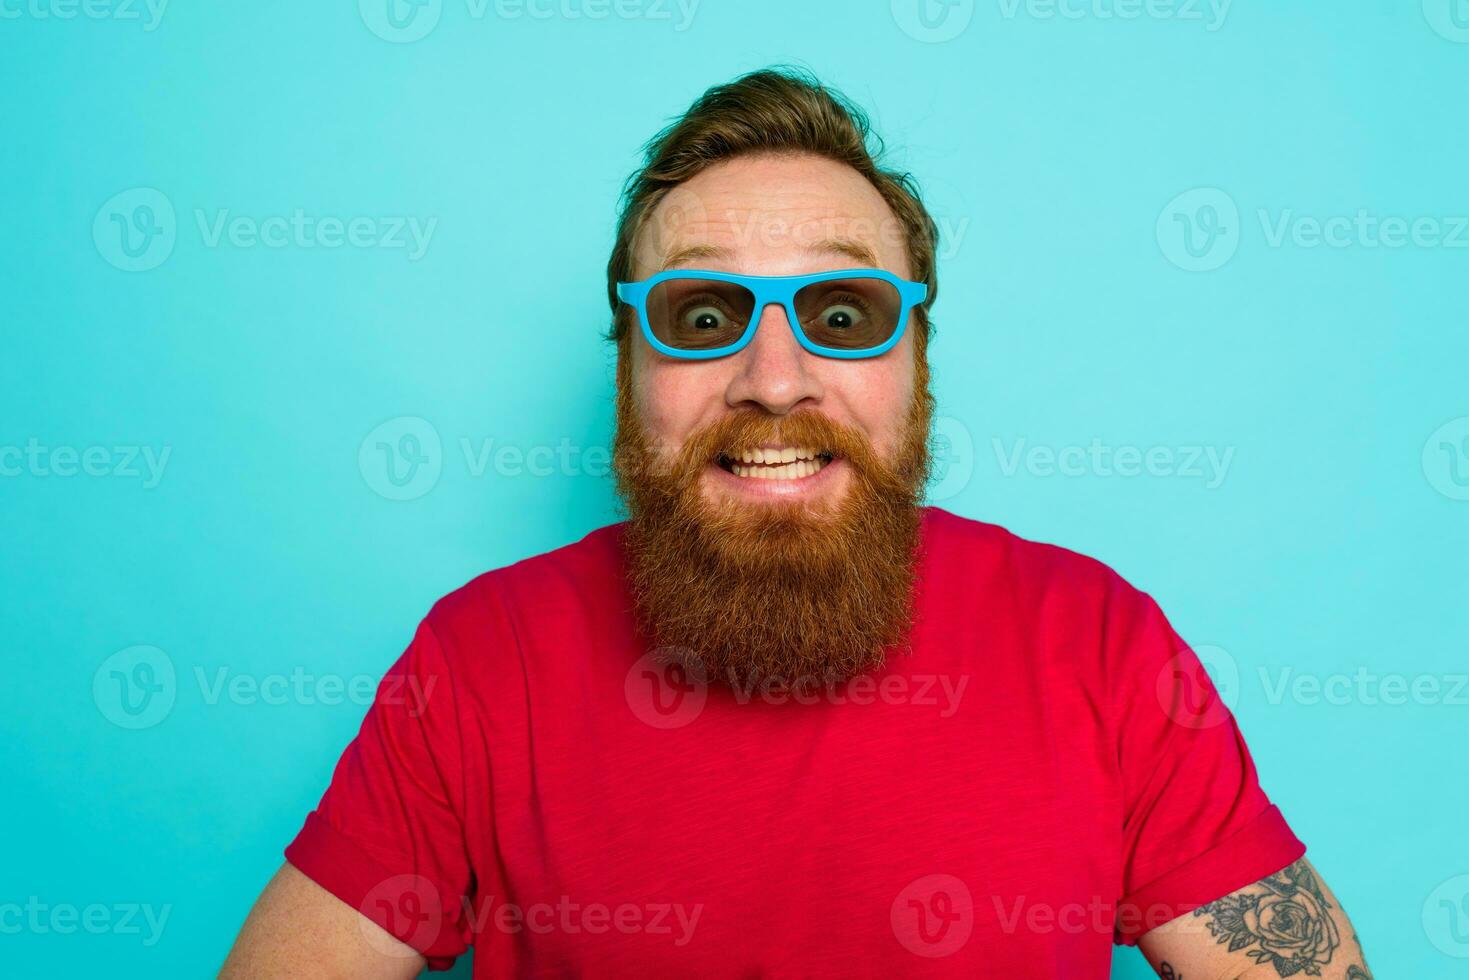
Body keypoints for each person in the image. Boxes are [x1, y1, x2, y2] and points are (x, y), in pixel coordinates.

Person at [221, 67, 1371, 978]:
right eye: (704, 311)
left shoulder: (1095, 642)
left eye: (839, 310)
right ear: (625, 363)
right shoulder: (484, 659)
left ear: (917, 359)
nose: (774, 376)